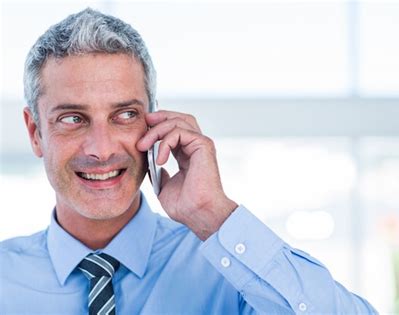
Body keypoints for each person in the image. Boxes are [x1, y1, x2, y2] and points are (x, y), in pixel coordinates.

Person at [0, 8, 377, 314]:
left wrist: (214, 215)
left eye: (125, 115)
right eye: (72, 118)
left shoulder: (232, 272)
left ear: (156, 121)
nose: (101, 148)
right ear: (35, 132)